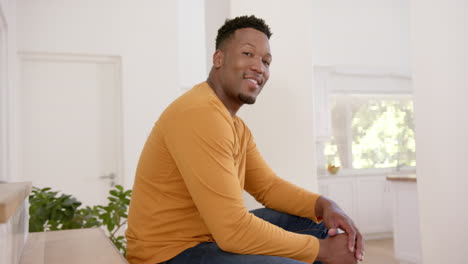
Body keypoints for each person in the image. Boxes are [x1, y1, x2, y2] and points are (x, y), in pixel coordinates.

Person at [125, 15, 364, 264]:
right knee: (314, 250)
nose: (259, 67)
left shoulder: (234, 125)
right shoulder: (200, 114)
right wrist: (322, 250)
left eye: (266, 61)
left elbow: (268, 187)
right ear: (219, 59)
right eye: (248, 54)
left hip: (208, 237)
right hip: (168, 254)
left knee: (316, 226)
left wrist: (325, 204)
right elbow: (233, 230)